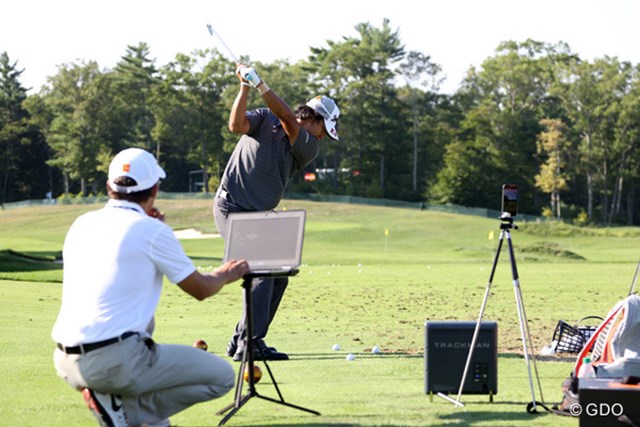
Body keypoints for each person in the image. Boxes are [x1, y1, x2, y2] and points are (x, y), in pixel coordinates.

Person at [52, 147, 249, 427]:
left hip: (64, 361)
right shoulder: (153, 231)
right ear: (155, 188)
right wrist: (226, 273)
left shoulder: (81, 223)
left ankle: (140, 418)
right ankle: (127, 413)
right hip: (113, 362)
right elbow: (201, 289)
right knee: (222, 377)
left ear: (109, 186)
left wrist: (150, 227)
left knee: (145, 329)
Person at [213, 64, 340, 362]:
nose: (323, 137)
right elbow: (236, 126)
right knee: (262, 270)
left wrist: (261, 84)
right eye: (325, 129)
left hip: (258, 216)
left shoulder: (308, 146)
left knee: (278, 274)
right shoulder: (265, 116)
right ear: (315, 119)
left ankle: (243, 339)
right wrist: (245, 86)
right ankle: (249, 342)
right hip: (231, 206)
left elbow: (287, 119)